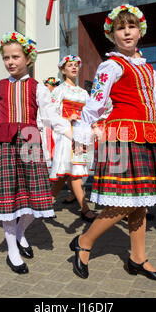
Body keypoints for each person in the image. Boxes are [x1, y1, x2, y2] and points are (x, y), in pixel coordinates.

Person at [70, 4, 156, 280]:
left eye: (131, 27)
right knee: (126, 200)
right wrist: (81, 132)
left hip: (146, 138)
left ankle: (137, 258)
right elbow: (96, 102)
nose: (126, 32)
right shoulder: (110, 65)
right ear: (112, 34)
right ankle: (84, 242)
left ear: (140, 32)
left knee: (141, 202)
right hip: (122, 138)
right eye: (120, 28)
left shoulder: (148, 69)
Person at [0, 31, 72, 274]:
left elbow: (52, 118)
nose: (10, 62)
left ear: (28, 58)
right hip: (5, 147)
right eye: (6, 58)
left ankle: (21, 232)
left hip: (30, 144)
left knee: (37, 196)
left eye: (15, 57)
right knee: (7, 199)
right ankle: (12, 249)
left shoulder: (38, 88)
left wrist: (76, 135)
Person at [49, 55, 96, 222]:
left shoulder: (84, 92)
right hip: (66, 134)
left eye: (76, 65)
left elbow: (90, 114)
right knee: (74, 172)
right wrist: (67, 119)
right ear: (63, 70)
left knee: (65, 174)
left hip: (80, 134)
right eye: (70, 65)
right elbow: (51, 113)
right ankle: (85, 209)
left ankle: (47, 204)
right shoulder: (59, 90)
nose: (74, 68)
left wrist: (92, 128)